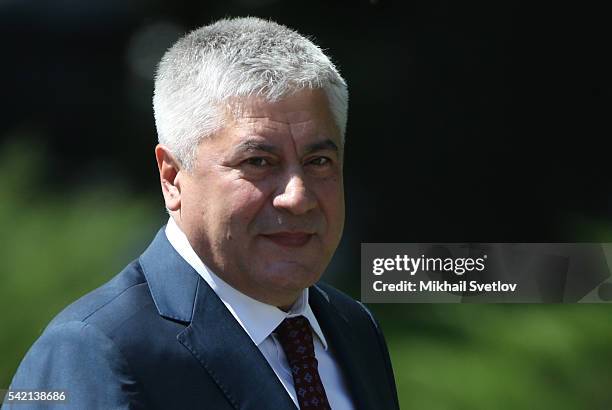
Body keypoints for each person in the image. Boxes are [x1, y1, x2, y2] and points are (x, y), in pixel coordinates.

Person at [5, 17, 399, 410]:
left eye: (318, 161)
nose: (297, 197)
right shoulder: (91, 350)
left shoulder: (353, 329)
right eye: (259, 161)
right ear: (172, 178)